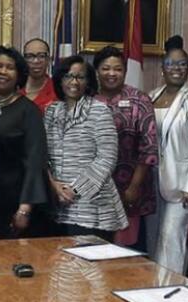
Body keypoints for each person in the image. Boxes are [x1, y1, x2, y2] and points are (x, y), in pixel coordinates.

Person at [147, 36, 188, 275]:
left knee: (172, 237)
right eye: (171, 64)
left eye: (182, 64)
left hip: (183, 184)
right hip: (152, 181)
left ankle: (172, 294)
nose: (176, 68)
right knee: (154, 238)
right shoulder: (152, 96)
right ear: (163, 68)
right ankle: (152, 290)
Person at [44, 55, 128, 240]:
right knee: (60, 266)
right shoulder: (51, 111)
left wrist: (74, 190)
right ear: (59, 79)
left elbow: (106, 158)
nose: (73, 82)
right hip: (59, 207)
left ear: (88, 81)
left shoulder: (99, 110)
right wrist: (54, 185)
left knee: (90, 268)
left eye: (80, 77)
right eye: (68, 76)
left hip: (92, 207)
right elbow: (43, 156)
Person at [93, 46, 159, 250]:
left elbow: (149, 148)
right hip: (94, 192)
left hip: (129, 190)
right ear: (96, 71)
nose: (111, 74)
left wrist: (134, 187)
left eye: (118, 69)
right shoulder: (86, 99)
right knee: (93, 251)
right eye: (106, 68)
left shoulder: (139, 99)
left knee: (127, 252)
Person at [0, 46, 49, 239]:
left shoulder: (28, 110)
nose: (3, 72)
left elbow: (35, 161)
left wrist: (24, 209)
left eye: (10, 67)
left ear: (19, 74)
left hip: (13, 201)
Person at [20, 37, 58, 113]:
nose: (36, 61)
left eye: (41, 56)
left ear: (48, 60)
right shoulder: (15, 88)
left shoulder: (57, 90)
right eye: (30, 56)